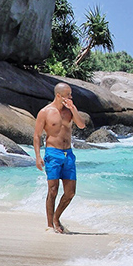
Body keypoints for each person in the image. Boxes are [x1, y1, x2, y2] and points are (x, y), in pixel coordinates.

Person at [33, 82, 86, 233]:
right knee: (53, 190)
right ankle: (50, 225)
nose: (71, 97)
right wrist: (38, 156)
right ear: (58, 96)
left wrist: (73, 109)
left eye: (71, 94)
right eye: (68, 95)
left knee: (70, 193)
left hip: (68, 153)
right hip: (53, 153)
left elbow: (81, 125)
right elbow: (37, 136)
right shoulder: (45, 112)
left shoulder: (70, 111)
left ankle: (56, 218)